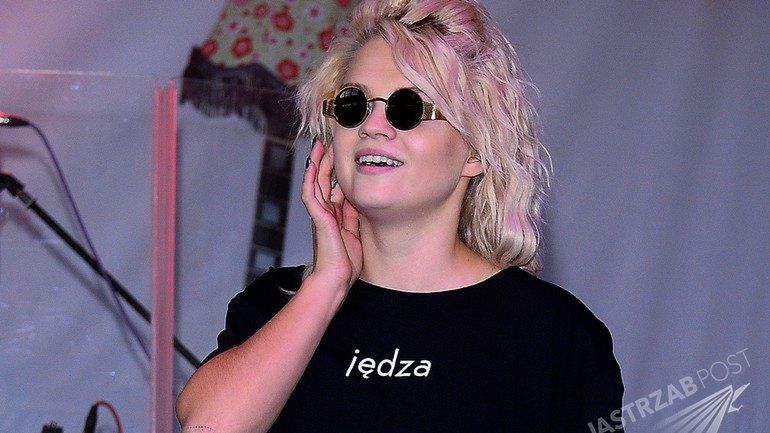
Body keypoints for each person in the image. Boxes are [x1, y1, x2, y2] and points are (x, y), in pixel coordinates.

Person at [176, 1, 625, 432]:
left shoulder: (554, 335)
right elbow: (207, 427)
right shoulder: (276, 305)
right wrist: (327, 284)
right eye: (352, 105)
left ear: (475, 151)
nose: (372, 126)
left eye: (407, 108)